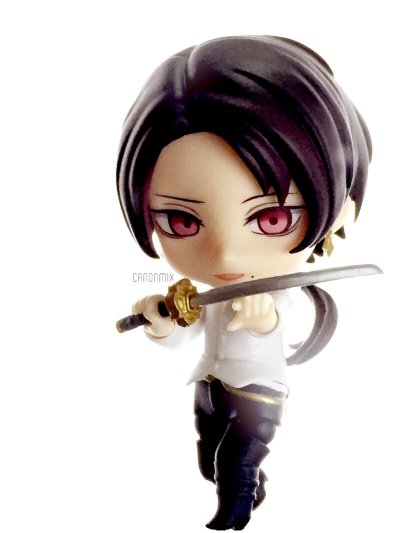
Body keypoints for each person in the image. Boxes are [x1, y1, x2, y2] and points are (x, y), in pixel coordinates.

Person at [116, 36, 372, 530]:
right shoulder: (209, 293)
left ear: (340, 209)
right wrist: (164, 324)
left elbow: (291, 321)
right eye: (182, 222)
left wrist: (265, 319)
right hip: (209, 383)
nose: (226, 255)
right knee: (208, 461)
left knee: (235, 465)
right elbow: (187, 334)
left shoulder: (282, 295)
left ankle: (231, 518)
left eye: (272, 219)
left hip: (259, 389)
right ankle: (251, 492)